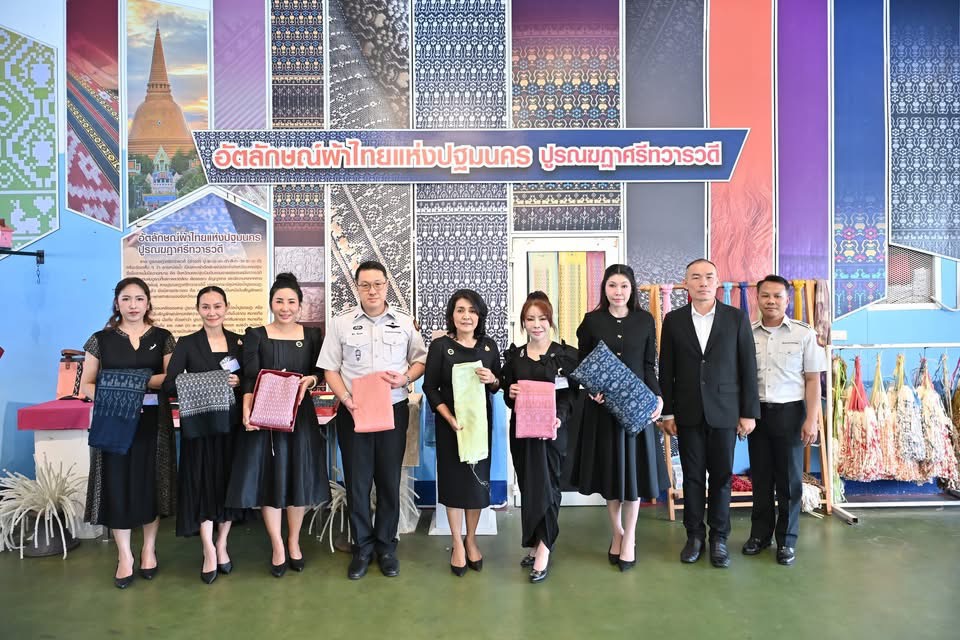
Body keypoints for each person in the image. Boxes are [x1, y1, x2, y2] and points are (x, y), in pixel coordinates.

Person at [318, 260, 427, 580]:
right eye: (365, 285)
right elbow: (329, 368)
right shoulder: (341, 324)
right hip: (354, 411)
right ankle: (362, 547)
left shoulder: (404, 322)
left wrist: (405, 378)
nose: (372, 290)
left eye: (378, 284)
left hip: (392, 410)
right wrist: (345, 399)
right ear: (357, 287)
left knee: (389, 481)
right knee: (358, 482)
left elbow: (420, 360)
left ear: (386, 285)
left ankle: (386, 547)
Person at [225, 273, 330, 577]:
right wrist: (247, 411)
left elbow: (320, 372)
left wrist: (310, 380)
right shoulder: (256, 335)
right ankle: (277, 545)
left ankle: (294, 541)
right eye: (279, 301)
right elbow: (249, 378)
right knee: (269, 480)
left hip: (300, 415)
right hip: (266, 415)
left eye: (291, 302)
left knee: (298, 478)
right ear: (271, 303)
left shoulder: (312, 335)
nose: (285, 307)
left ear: (300, 305)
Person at [659, 259, 760, 568]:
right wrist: (667, 413)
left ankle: (719, 538)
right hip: (687, 412)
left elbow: (748, 367)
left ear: (717, 282)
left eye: (708, 277)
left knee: (721, 477)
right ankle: (694, 537)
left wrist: (748, 413)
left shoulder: (736, 318)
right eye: (696, 277)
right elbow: (667, 369)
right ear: (686, 283)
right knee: (691, 477)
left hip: (725, 412)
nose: (702, 282)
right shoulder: (673, 320)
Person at [80, 277, 176, 589]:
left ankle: (148, 549)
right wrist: (137, 383)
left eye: (139, 299)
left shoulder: (163, 337)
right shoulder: (100, 340)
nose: (133, 305)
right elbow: (87, 385)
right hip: (113, 421)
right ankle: (124, 555)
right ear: (116, 303)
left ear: (148, 303)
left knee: (151, 484)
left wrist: (125, 381)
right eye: (126, 299)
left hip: (153, 422)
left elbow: (169, 379)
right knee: (117, 485)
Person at [570, 264, 665, 571]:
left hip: (637, 408)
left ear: (632, 288)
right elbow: (583, 364)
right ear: (604, 288)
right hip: (604, 410)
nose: (618, 291)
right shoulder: (591, 321)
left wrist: (658, 397)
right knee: (611, 476)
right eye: (612, 285)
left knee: (633, 477)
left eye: (624, 286)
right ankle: (617, 533)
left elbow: (649, 365)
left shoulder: (645, 320)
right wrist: (591, 390)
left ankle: (630, 537)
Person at [743, 275, 827, 566]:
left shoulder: (804, 334)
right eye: (765, 295)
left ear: (787, 300)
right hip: (757, 414)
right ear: (757, 299)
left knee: (789, 482)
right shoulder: (746, 333)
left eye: (777, 296)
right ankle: (760, 535)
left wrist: (812, 420)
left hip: (791, 414)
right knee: (761, 479)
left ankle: (787, 541)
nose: (771, 301)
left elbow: (813, 380)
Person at [163, 286, 244, 584]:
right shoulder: (187, 343)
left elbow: (249, 379)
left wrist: (238, 381)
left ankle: (222, 543)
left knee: (228, 485)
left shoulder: (239, 342)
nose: (212, 312)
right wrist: (212, 381)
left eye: (217, 306)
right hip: (200, 430)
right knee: (202, 486)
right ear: (198, 309)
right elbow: (170, 384)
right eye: (206, 307)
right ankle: (208, 548)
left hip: (231, 427)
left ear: (227, 307)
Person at [422, 289, 502, 576]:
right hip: (451, 427)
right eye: (460, 310)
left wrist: (493, 379)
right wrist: (449, 417)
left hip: (479, 426)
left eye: (472, 310)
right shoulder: (440, 346)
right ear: (452, 315)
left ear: (479, 315)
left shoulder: (489, 347)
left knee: (476, 486)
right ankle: (457, 542)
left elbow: (498, 384)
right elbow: (430, 387)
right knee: (454, 484)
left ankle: (471, 539)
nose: (466, 316)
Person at [500, 292, 578, 583]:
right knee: (529, 486)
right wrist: (511, 393)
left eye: (542, 318)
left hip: (552, 431)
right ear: (523, 322)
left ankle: (544, 548)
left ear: (550, 321)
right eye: (530, 319)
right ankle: (535, 542)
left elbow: (570, 397)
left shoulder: (565, 356)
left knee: (548, 486)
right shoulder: (515, 358)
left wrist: (560, 417)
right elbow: (508, 397)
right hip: (522, 433)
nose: (536, 324)